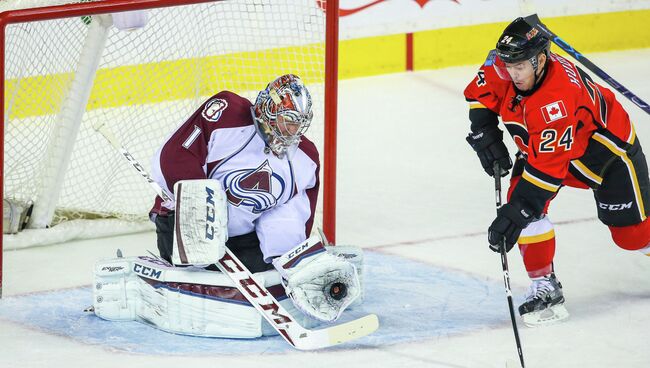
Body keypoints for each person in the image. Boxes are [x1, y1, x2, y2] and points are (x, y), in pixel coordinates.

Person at [463, 17, 650, 326]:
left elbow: (545, 174)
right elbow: (480, 94)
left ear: (539, 60)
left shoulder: (556, 100)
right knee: (523, 204)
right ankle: (544, 284)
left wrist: (514, 215)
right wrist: (484, 132)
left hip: (605, 156)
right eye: (508, 66)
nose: (512, 74)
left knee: (631, 237)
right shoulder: (506, 64)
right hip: (547, 149)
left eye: (520, 67)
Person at [146, 74, 361, 324]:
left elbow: (288, 214)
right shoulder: (227, 113)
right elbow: (174, 155)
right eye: (288, 120)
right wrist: (200, 213)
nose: (293, 130)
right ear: (268, 109)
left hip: (240, 242)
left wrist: (294, 261)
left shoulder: (304, 157)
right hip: (184, 227)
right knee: (197, 267)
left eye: (299, 123)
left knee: (270, 273)